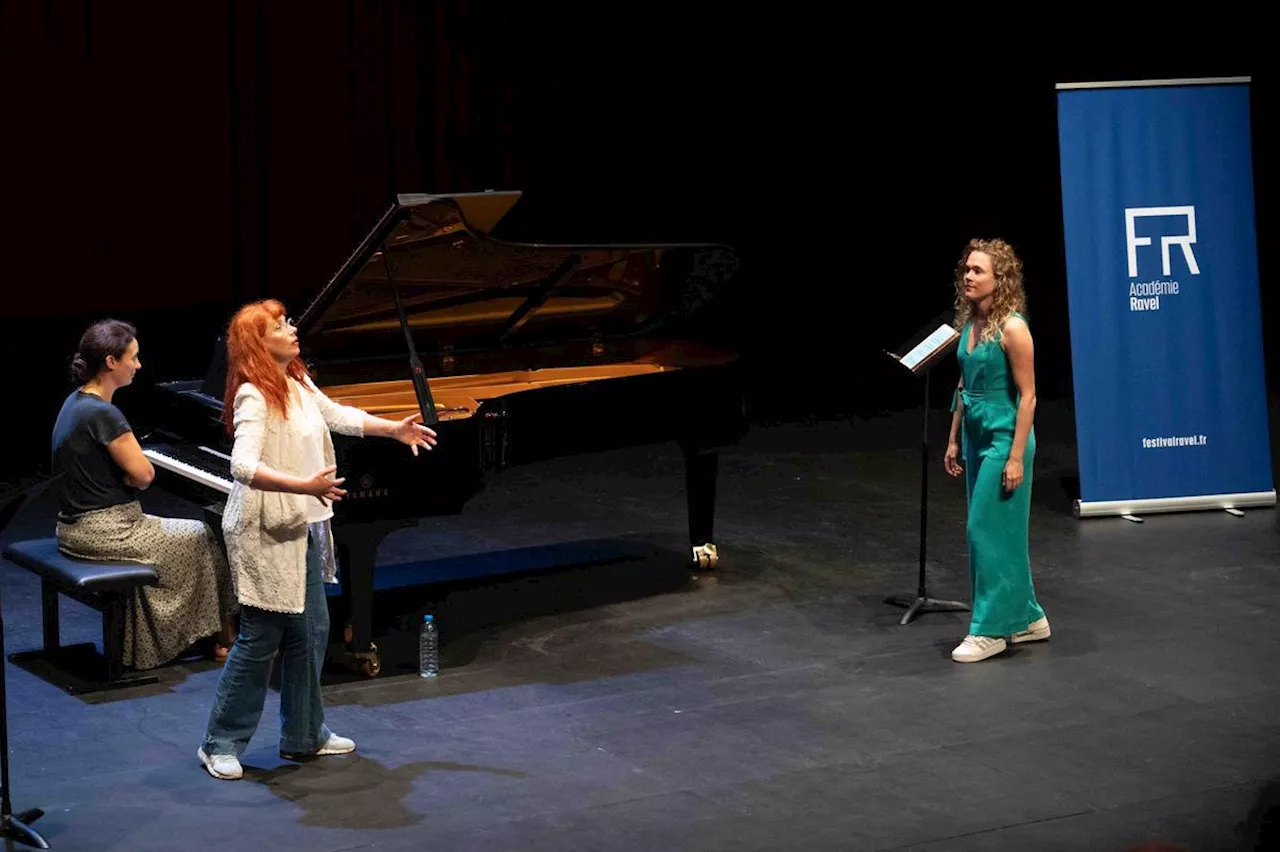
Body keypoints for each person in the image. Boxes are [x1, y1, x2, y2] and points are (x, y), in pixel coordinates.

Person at [198, 299, 437, 780]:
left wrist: (393, 428)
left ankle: (306, 734)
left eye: (288, 321)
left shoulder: (297, 381)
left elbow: (337, 415)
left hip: (299, 523)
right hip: (263, 527)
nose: (292, 328)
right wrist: (302, 485)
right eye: (280, 325)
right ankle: (220, 742)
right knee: (260, 637)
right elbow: (241, 467)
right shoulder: (254, 396)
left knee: (311, 630)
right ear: (258, 343)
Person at [52, 320, 237, 669]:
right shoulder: (104, 413)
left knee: (191, 536)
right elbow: (144, 475)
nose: (138, 365)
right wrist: (131, 478)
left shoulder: (75, 402)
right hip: (107, 532)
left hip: (72, 528)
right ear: (111, 362)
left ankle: (214, 634)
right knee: (202, 535)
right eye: (132, 358)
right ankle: (219, 637)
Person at [943, 239, 1050, 663]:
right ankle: (1027, 618)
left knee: (983, 530)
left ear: (999, 279)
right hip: (975, 433)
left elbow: (1029, 398)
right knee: (999, 531)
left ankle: (989, 629)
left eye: (978, 271)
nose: (968, 276)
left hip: (1006, 438)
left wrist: (1016, 457)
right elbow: (963, 384)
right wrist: (953, 438)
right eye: (967, 269)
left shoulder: (1013, 328)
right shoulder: (970, 324)